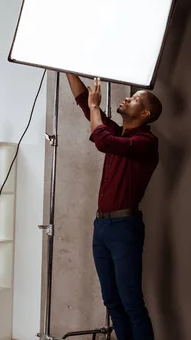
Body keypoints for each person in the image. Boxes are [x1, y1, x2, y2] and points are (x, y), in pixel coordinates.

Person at [66, 74, 162, 340]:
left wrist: (96, 107)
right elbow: (85, 103)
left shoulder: (146, 143)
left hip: (124, 228)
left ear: (143, 112)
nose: (126, 98)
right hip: (102, 227)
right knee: (112, 301)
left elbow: (102, 141)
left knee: (132, 303)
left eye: (133, 99)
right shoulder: (119, 132)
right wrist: (67, 68)